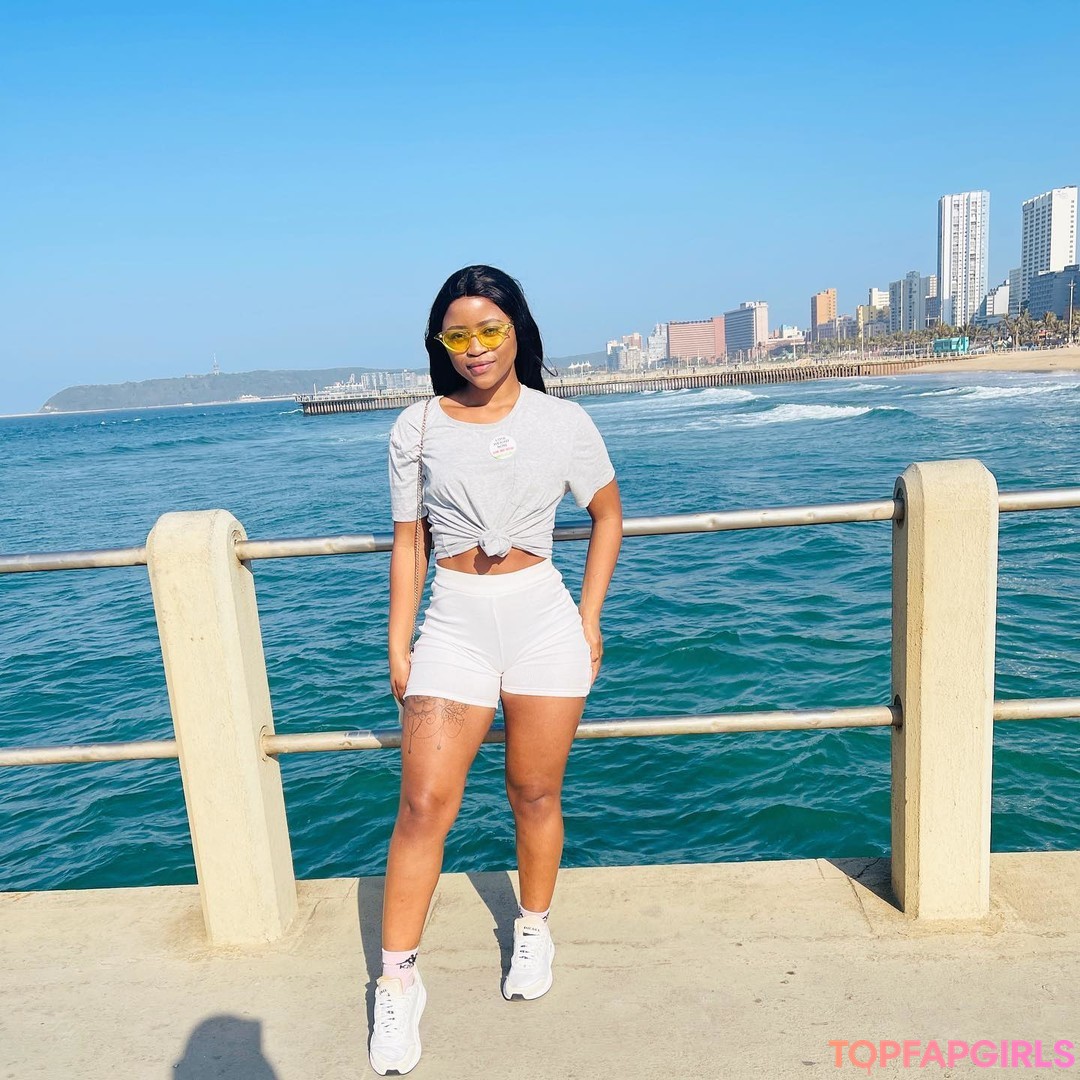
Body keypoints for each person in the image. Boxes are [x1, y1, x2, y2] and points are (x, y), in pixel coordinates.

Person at [369, 265, 622, 1075]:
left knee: (534, 791)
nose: (474, 347)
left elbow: (608, 514)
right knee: (422, 804)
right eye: (458, 334)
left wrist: (589, 616)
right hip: (454, 623)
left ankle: (533, 927)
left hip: (543, 620)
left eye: (489, 330)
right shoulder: (417, 426)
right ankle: (398, 982)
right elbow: (409, 541)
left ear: (517, 331)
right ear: (440, 343)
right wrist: (399, 642)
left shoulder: (563, 420)